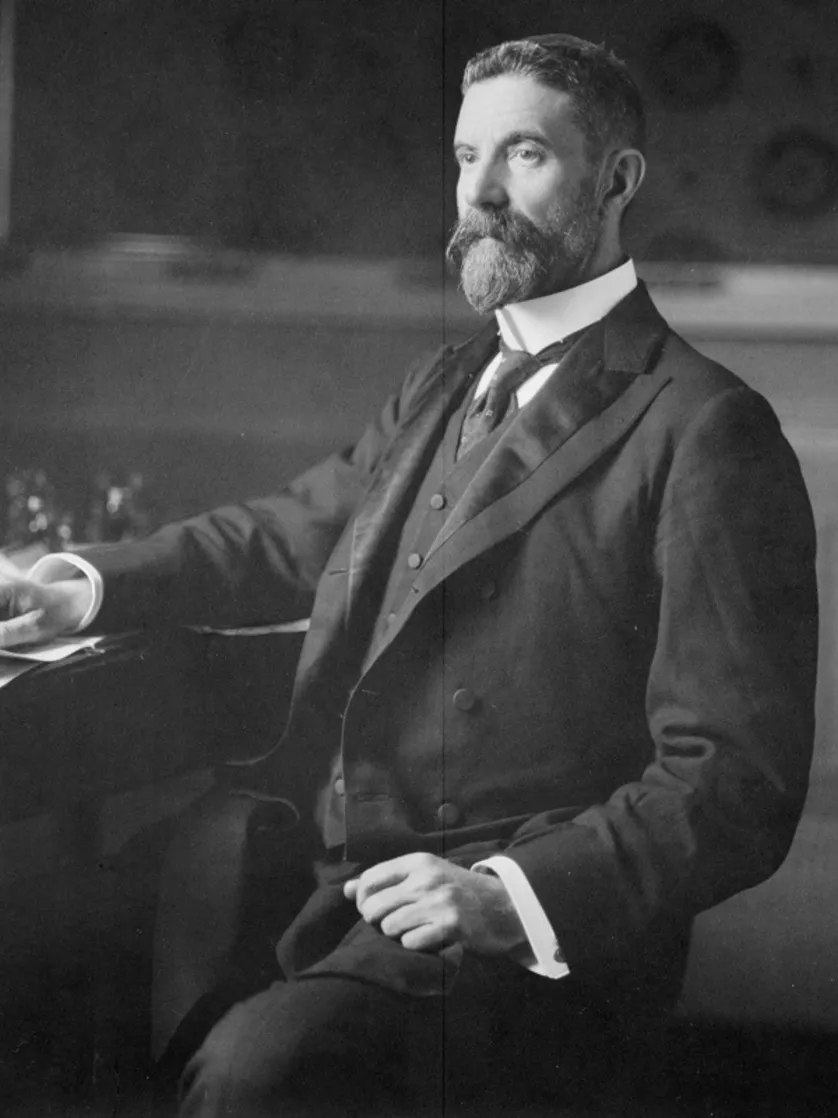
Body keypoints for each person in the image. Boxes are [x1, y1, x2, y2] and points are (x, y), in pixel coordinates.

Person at [0, 33, 818, 1117]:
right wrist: (79, 586)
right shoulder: (449, 377)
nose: (478, 191)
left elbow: (732, 781)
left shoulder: (707, 426)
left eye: (521, 155)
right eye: (463, 156)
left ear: (617, 179)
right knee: (59, 970)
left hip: (515, 928)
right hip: (335, 878)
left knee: (252, 1081)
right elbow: (290, 536)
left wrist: (502, 896)